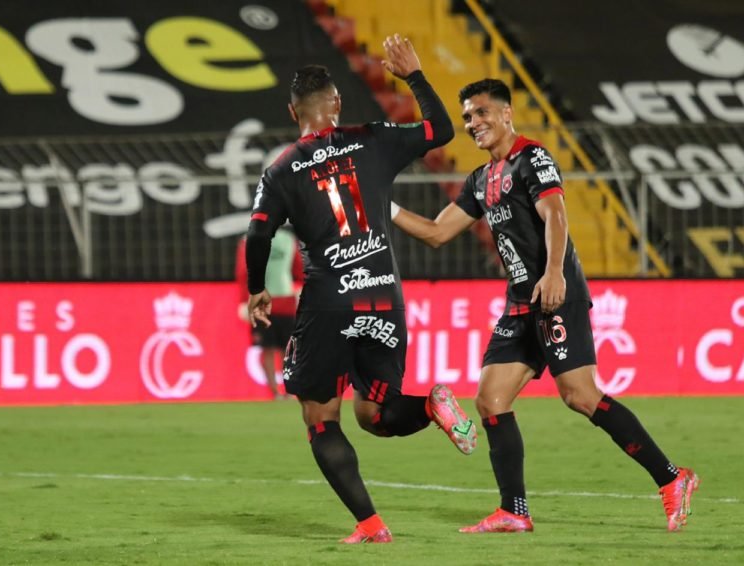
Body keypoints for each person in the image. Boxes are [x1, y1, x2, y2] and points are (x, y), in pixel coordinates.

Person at [391, 78, 698, 533]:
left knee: (580, 396)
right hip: (519, 303)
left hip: (555, 295)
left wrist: (554, 271)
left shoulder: (532, 157)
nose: (474, 124)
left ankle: (673, 479)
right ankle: (514, 510)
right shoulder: (480, 179)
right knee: (491, 399)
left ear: (506, 113)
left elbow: (555, 214)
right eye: (468, 118)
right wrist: (384, 207)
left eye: (481, 113)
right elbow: (438, 232)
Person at [245, 35, 477, 544]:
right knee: (375, 413)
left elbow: (259, 231)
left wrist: (257, 288)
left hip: (330, 300)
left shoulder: (281, 170)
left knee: (319, 416)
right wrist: (413, 76)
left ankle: (370, 524)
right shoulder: (373, 139)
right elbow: (440, 130)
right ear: (337, 104)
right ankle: (432, 405)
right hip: (383, 298)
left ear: (293, 111)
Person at [236, 227, 303, 399]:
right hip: (285, 300)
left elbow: (244, 273)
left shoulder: (248, 239)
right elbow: (300, 270)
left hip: (261, 302)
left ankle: (275, 393)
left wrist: (245, 301)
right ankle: (288, 391)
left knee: (268, 349)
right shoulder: (289, 240)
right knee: (286, 349)